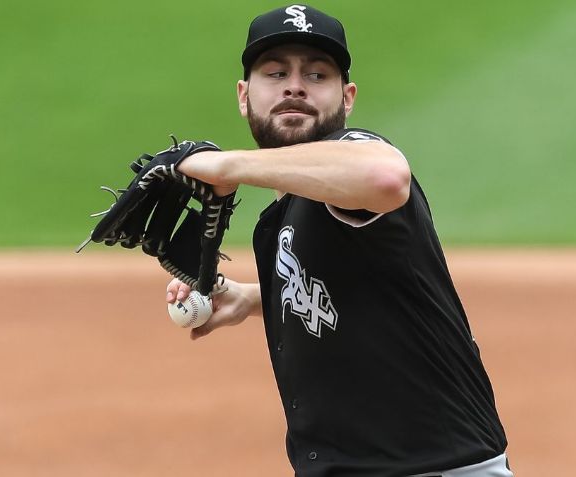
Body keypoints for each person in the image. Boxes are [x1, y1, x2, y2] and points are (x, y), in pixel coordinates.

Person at [166, 5, 511, 476]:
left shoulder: (354, 162)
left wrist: (227, 166)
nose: (295, 85)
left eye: (316, 74)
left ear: (346, 98)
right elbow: (353, 286)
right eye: (275, 72)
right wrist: (250, 298)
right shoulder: (283, 214)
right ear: (244, 96)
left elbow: (386, 178)